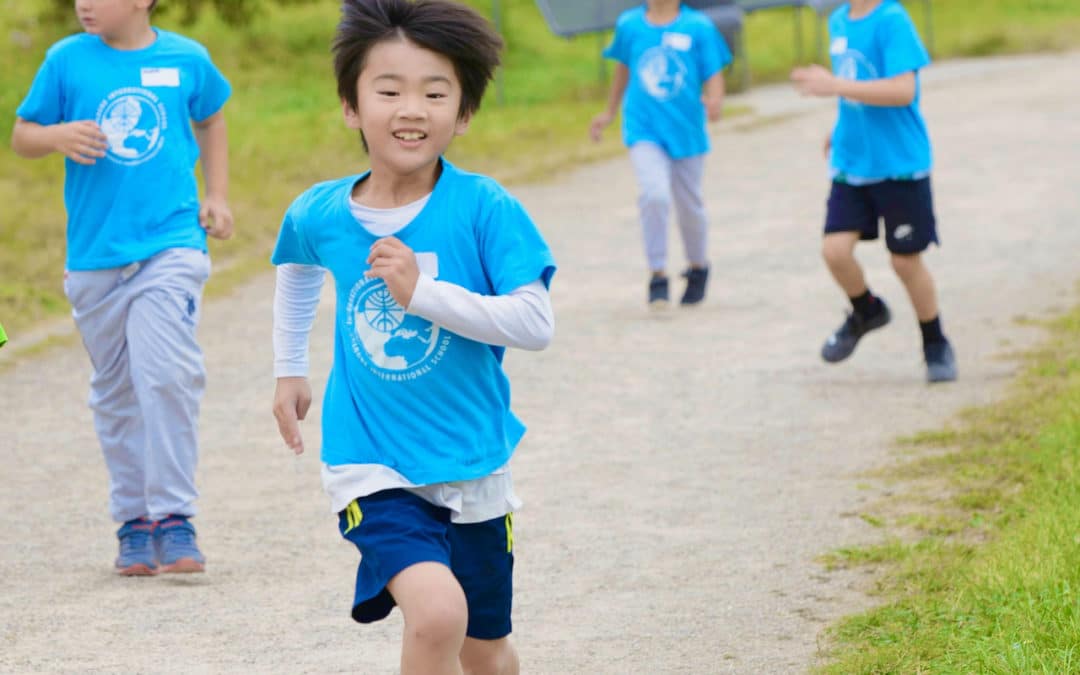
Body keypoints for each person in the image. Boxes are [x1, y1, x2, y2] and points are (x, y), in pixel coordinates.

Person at [269, 1, 555, 673]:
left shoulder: (484, 207)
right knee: (437, 613)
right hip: (371, 460)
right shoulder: (323, 210)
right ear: (351, 105)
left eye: (435, 93)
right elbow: (296, 264)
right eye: (389, 90)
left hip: (473, 460)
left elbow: (535, 322)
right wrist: (289, 368)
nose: (411, 108)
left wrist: (420, 295)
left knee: (486, 650)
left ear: (462, 114)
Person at [11, 0, 233, 574]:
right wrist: (58, 135)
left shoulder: (186, 58)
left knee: (165, 374)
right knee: (115, 392)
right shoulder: (66, 60)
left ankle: (175, 517)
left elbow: (210, 119)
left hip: (172, 244)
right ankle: (134, 522)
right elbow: (22, 135)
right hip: (94, 257)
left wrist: (217, 194)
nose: (84, 2)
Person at [791, 0, 957, 383]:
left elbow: (902, 90)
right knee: (834, 251)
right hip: (853, 162)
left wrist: (834, 86)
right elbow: (855, 86)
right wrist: (839, 127)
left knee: (904, 261)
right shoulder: (838, 20)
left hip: (899, 164)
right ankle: (866, 310)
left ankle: (935, 342)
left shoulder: (891, 19)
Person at [590, 0, 730, 309]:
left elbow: (714, 70)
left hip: (686, 131)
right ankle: (658, 275)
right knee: (654, 195)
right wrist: (609, 112)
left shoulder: (698, 27)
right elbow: (623, 69)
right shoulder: (630, 24)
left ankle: (697, 267)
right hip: (643, 128)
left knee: (689, 206)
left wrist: (716, 100)